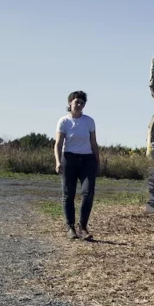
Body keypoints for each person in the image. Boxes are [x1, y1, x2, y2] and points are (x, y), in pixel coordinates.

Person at [54, 91, 100, 240]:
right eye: (76, 102)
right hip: (69, 159)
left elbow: (93, 142)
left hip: (87, 160)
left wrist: (97, 161)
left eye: (82, 102)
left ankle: (83, 226)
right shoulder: (64, 121)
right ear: (70, 103)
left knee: (88, 193)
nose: (79, 105)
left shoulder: (89, 121)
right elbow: (58, 143)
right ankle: (70, 227)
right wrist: (58, 161)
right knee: (68, 194)